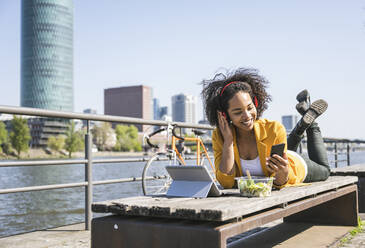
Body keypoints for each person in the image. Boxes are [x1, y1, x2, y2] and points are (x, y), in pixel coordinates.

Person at [201, 68, 330, 189]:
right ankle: (301, 125)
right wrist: (228, 141)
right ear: (224, 115)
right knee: (284, 152)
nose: (247, 116)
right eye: (237, 112)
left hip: (293, 166)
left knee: (324, 170)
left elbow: (279, 183)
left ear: (256, 103)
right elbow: (226, 183)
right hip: (282, 156)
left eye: (250, 107)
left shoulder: (273, 129)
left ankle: (310, 124)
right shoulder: (220, 136)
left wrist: (283, 171)